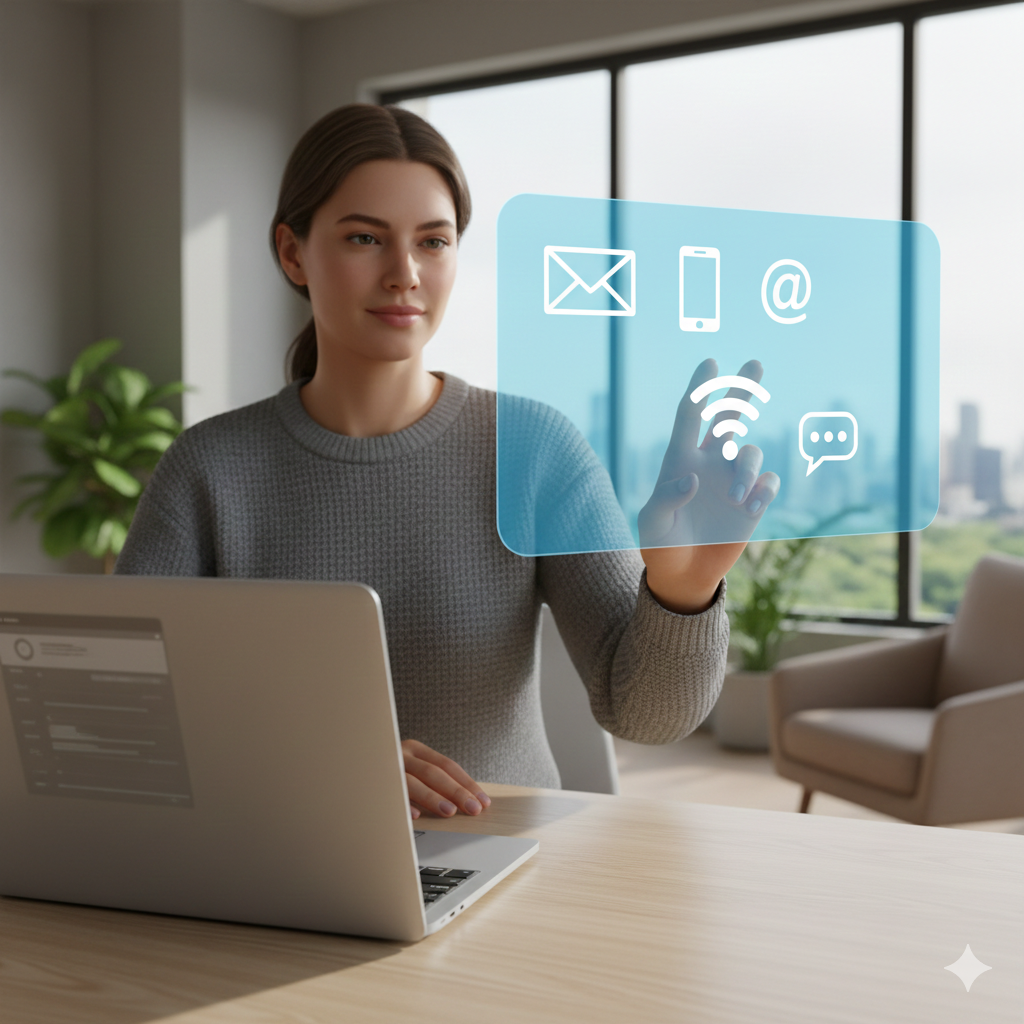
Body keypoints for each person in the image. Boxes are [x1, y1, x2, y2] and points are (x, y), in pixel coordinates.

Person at [116, 104, 779, 820]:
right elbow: (119, 707)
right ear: (292, 252)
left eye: (433, 242)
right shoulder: (207, 469)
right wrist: (324, 755)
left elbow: (646, 717)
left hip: (501, 856)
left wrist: (683, 590)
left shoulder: (534, 448)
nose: (405, 273)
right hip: (277, 843)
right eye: (366, 237)